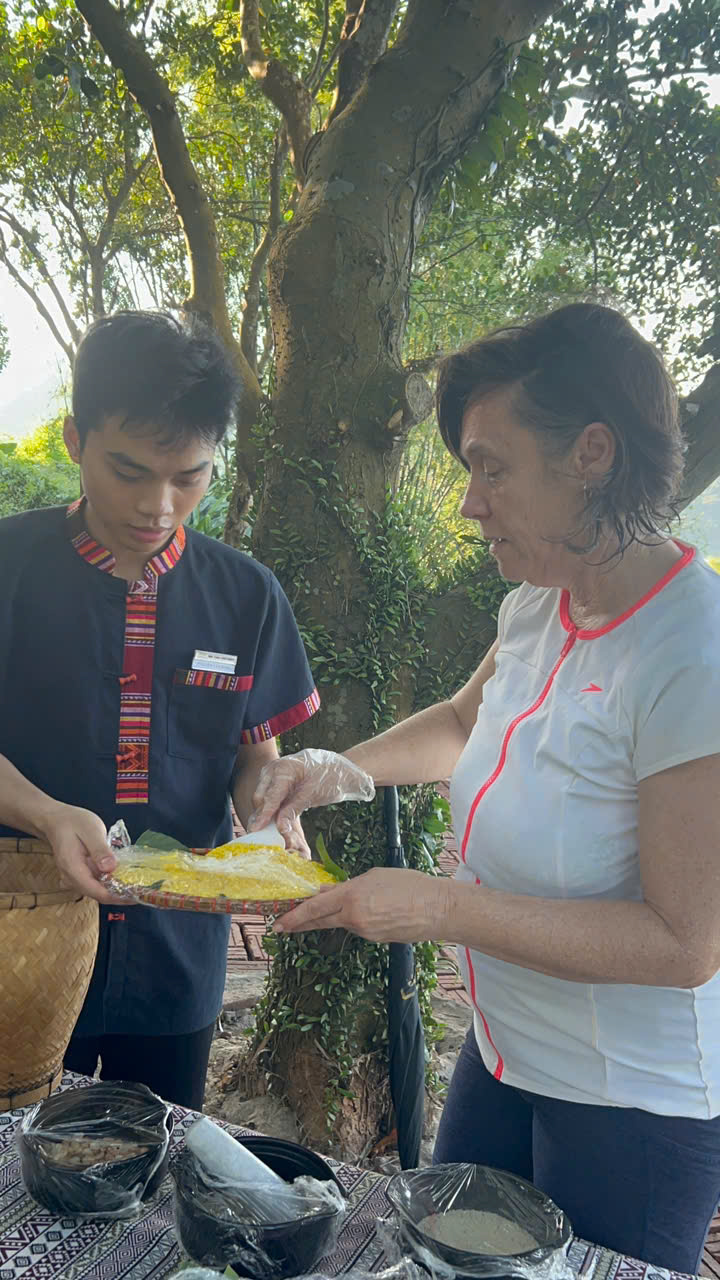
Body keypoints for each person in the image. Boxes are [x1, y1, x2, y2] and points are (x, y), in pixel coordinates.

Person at [247, 303, 720, 1273]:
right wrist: (337, 768)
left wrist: (438, 907)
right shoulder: (539, 602)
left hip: (632, 1101)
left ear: (593, 453)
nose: (470, 503)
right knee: (441, 1257)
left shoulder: (692, 652)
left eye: (491, 468)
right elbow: (466, 722)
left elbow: (685, 943)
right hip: (504, 1051)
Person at [0, 310, 318, 1109]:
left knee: (160, 1142)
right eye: (130, 471)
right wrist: (46, 814)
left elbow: (253, 757)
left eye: (190, 477)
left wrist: (270, 813)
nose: (160, 505)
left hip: (176, 953)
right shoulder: (9, 567)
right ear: (74, 439)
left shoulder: (246, 595)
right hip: (25, 935)